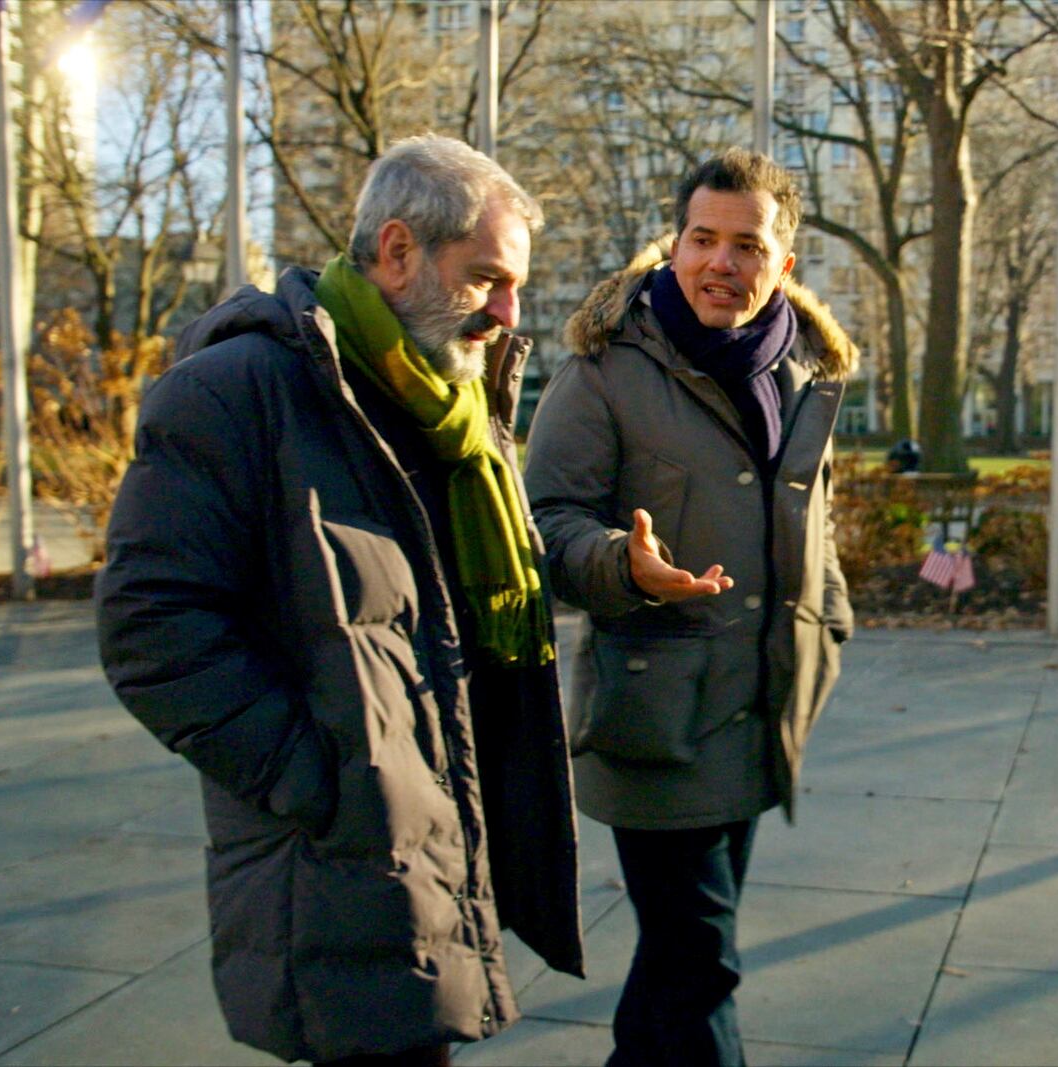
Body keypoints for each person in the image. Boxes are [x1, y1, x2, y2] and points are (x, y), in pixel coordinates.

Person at [95, 135, 581, 1066]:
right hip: (335, 855)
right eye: (487, 279)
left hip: (433, 839)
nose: (510, 313)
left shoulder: (451, 406)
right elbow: (150, 627)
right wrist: (318, 779)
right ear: (397, 251)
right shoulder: (237, 391)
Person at [523, 148, 855, 1066]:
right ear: (673, 246)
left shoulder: (806, 376)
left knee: (677, 965)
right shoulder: (604, 370)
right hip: (655, 717)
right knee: (702, 962)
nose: (722, 262)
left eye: (747, 245)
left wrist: (830, 616)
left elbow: (811, 526)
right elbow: (543, 524)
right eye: (703, 238)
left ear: (782, 263)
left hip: (761, 712)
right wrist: (621, 565)